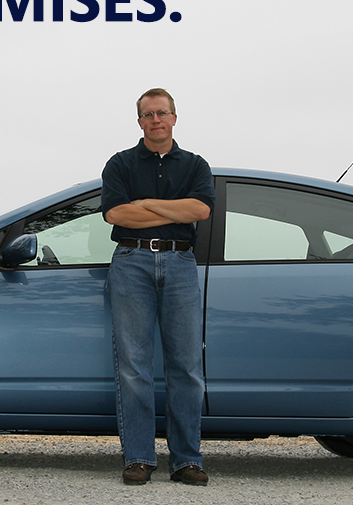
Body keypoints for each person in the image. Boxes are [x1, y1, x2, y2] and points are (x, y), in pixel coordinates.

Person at [100, 88, 215, 486]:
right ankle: (138, 458)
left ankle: (186, 461)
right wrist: (172, 209)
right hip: (131, 262)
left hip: (180, 263)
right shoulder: (120, 163)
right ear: (139, 122)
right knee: (134, 366)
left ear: (174, 118)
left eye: (162, 113)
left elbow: (200, 210)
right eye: (148, 114)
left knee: (186, 366)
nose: (156, 120)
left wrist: (144, 204)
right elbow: (115, 214)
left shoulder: (195, 165)